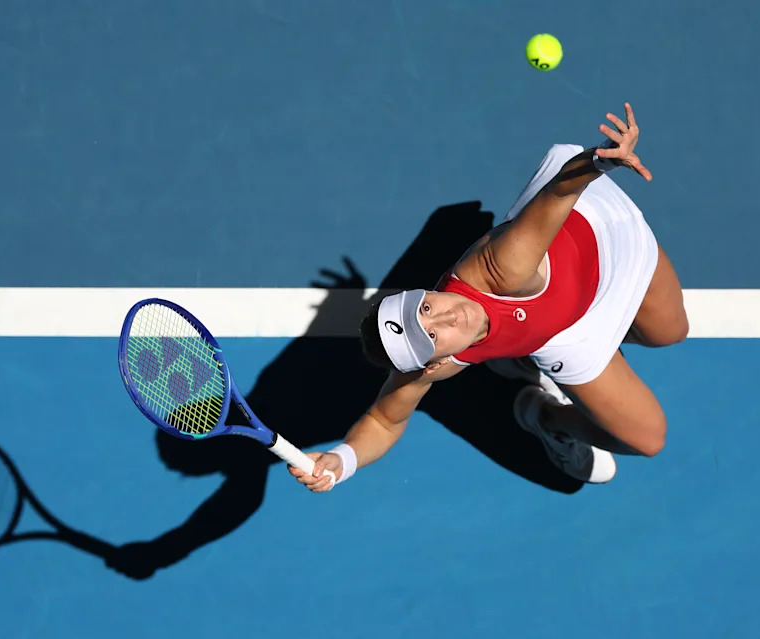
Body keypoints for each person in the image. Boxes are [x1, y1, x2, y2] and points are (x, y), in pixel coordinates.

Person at [290, 103, 689, 491]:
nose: (446, 318)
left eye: (426, 308)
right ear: (436, 365)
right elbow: (383, 421)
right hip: (566, 335)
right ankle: (546, 417)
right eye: (430, 336)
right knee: (647, 439)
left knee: (668, 332)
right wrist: (342, 461)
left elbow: (561, 191)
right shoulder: (432, 368)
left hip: (602, 235)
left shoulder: (504, 267)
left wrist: (601, 160)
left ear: (426, 292)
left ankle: (518, 353)